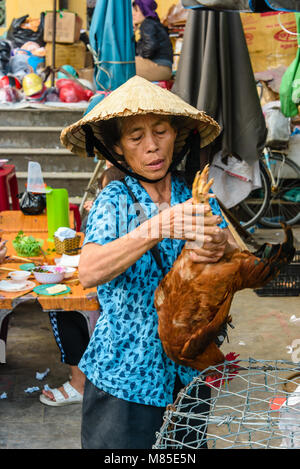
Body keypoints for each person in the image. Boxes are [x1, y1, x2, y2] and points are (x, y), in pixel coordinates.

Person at [60, 75, 240, 449]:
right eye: (136, 137)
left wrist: (218, 246)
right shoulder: (115, 200)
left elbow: (231, 256)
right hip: (125, 376)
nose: (153, 146)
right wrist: (157, 226)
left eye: (161, 131)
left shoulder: (191, 194)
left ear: (178, 136)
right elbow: (89, 271)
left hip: (186, 372)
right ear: (118, 148)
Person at [39, 166, 125, 407]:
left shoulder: (123, 213)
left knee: (62, 307)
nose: (102, 197)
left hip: (116, 300)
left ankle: (80, 383)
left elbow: (94, 270)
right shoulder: (116, 210)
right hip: (108, 288)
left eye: (105, 191)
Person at [133, 0, 173, 81]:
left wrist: (140, 57)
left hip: (159, 67)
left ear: (145, 10)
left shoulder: (147, 24)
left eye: (136, 11)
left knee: (125, 63)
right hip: (165, 69)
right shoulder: (154, 23)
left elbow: (150, 46)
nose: (133, 15)